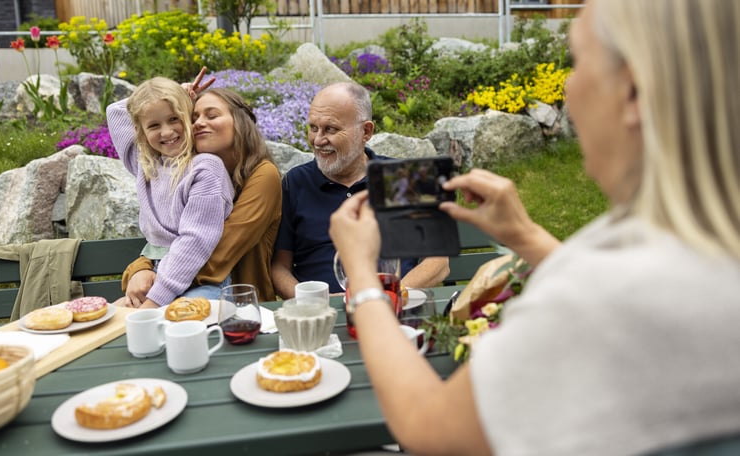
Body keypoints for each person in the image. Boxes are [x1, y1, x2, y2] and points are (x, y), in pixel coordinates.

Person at [328, 1, 740, 455]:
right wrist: (525, 237)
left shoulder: (606, 303)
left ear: (633, 93)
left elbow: (430, 428)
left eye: (578, 62)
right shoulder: (696, 254)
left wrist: (362, 275)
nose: (567, 88)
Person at [109, 76, 281, 306]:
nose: (198, 123)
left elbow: (211, 251)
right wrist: (171, 93)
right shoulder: (160, 167)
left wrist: (150, 284)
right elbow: (117, 112)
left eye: (212, 115)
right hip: (173, 282)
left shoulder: (256, 175)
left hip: (237, 299)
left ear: (240, 121)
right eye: (193, 117)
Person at [271, 81, 449, 297]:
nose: (317, 140)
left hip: (397, 306)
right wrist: (316, 302)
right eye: (313, 128)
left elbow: (439, 262)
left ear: (366, 131)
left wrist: (390, 297)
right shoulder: (296, 183)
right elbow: (279, 267)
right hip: (323, 311)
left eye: (330, 129)